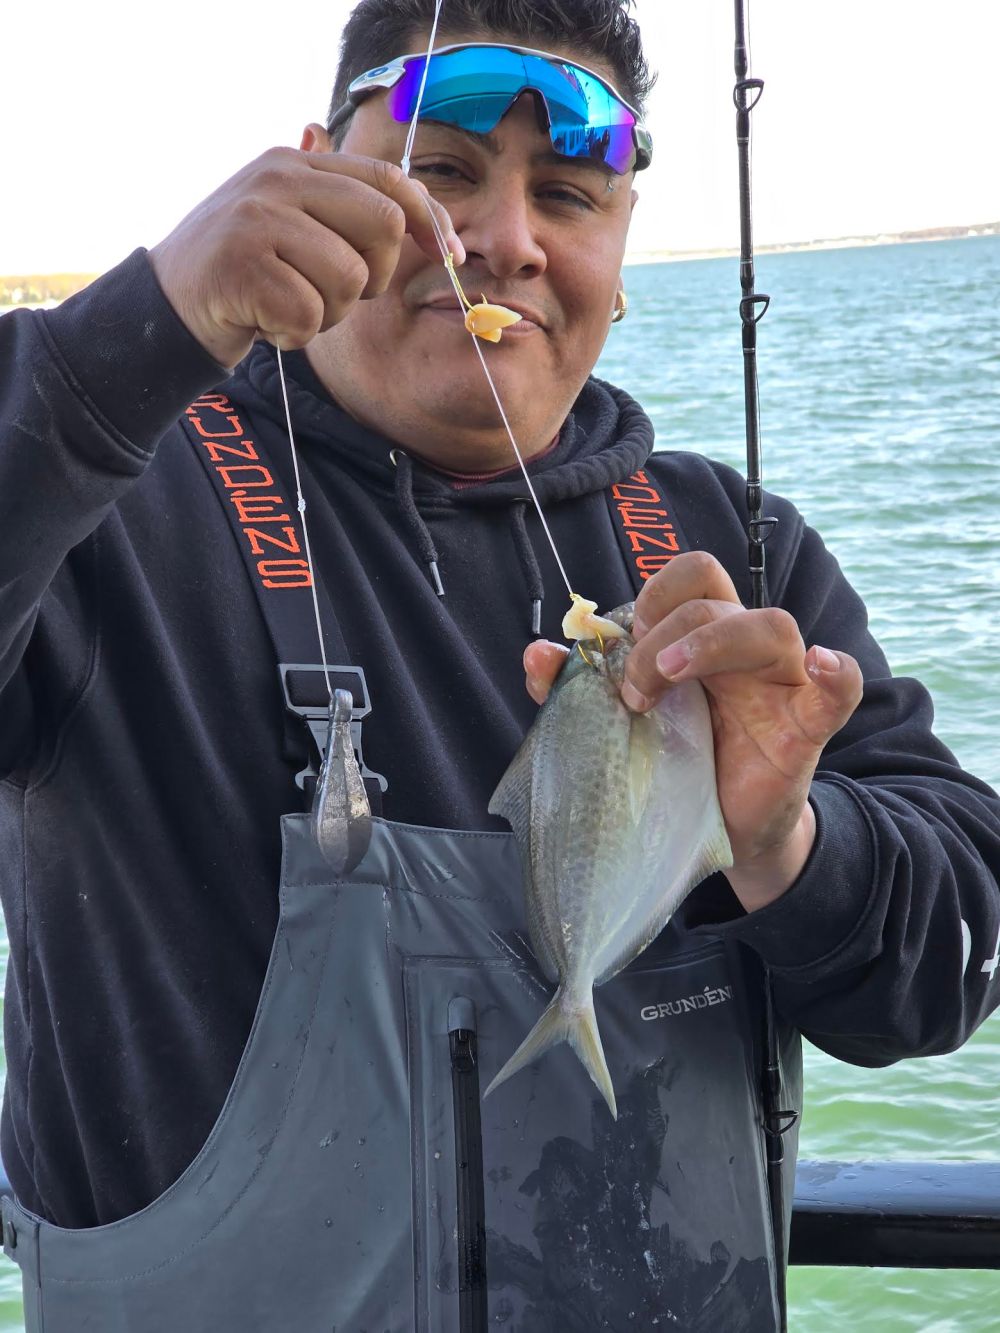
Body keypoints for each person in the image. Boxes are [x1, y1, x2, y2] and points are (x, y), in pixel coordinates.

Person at [0, 1, 998, 1329]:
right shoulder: (112, 518)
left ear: (625, 251)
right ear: (311, 172)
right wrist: (144, 328)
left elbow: (952, 966)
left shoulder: (740, 557)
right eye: (441, 170)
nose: (504, 240)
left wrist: (794, 844)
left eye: (571, 195)